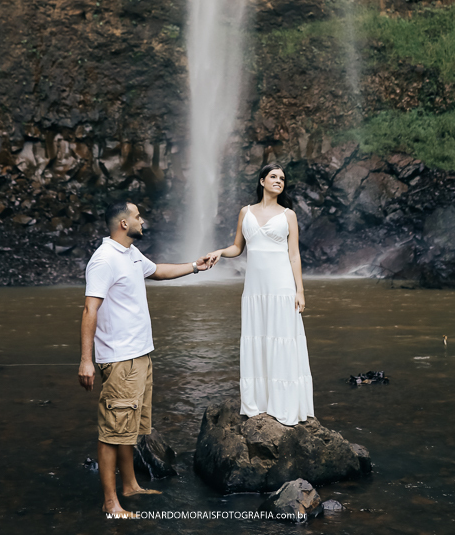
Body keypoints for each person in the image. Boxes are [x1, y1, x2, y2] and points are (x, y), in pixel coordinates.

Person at [79, 199, 210, 518]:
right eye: (138, 216)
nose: (143, 220)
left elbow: (159, 271)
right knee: (112, 431)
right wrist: (86, 360)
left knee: (129, 427)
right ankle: (111, 504)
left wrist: (195, 266)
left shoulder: (130, 253)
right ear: (124, 223)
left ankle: (130, 486)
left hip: (139, 355)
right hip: (120, 359)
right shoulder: (104, 260)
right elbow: (89, 309)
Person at [206, 162, 314, 426]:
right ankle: (260, 402)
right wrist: (220, 252)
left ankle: (284, 404)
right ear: (262, 181)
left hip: (281, 287)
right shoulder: (246, 212)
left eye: (282, 179)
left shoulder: (288, 215)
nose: (279, 181)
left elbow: (294, 255)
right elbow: (237, 247)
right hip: (255, 290)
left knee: (282, 339)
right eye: (273, 176)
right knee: (258, 338)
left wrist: (300, 290)